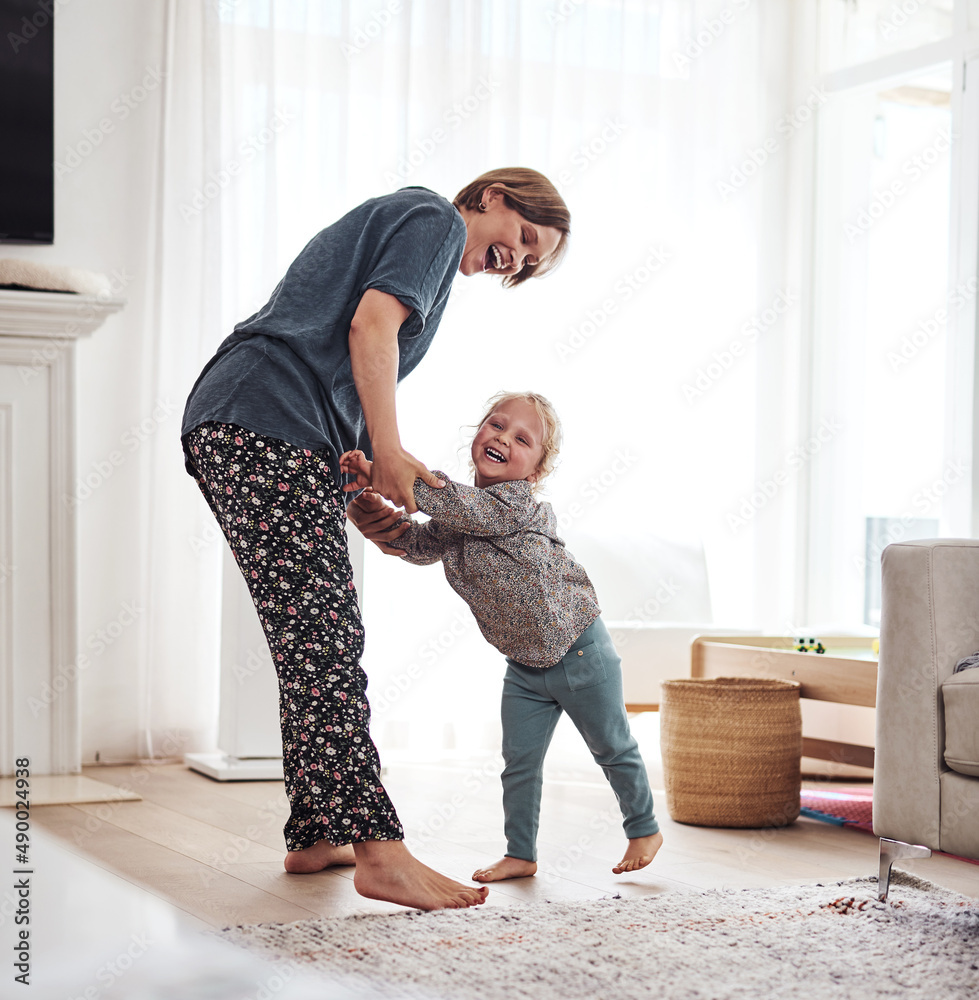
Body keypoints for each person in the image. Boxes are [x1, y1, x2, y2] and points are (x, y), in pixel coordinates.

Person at [180, 170, 571, 911]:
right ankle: (379, 851)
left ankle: (317, 832)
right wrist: (389, 454)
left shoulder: (421, 234)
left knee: (313, 635)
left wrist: (361, 483)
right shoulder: (434, 219)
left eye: (526, 264)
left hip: (263, 421)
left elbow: (342, 361)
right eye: (522, 239)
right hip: (262, 417)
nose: (513, 261)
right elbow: (371, 328)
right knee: (324, 638)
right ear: (490, 196)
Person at [340, 391, 663, 883]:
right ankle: (520, 853)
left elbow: (455, 505)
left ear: (533, 473)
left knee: (612, 746)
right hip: (526, 668)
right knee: (519, 763)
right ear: (477, 434)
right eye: (496, 425)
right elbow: (417, 544)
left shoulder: (512, 505)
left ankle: (643, 827)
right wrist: (371, 498)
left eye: (521, 439)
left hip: (580, 651)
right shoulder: (460, 517)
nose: (502, 438)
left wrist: (397, 472)